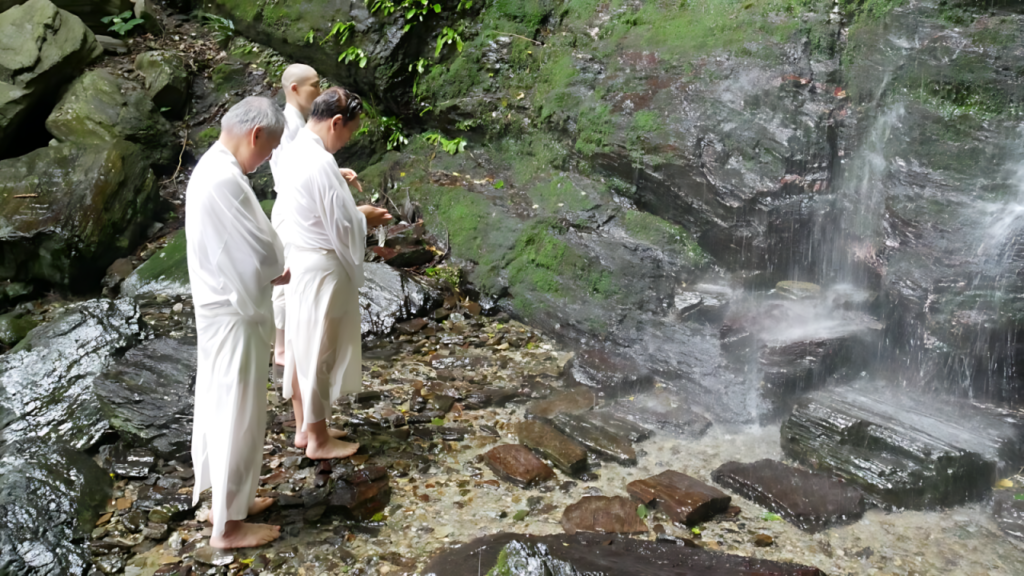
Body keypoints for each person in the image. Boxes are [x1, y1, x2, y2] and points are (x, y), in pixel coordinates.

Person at [186, 96, 288, 549]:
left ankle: (235, 501)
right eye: (269, 150)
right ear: (255, 136)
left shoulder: (214, 168)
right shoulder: (222, 179)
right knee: (234, 412)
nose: (266, 160)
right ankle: (226, 527)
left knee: (238, 410)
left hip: (224, 311)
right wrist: (277, 270)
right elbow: (256, 252)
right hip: (231, 314)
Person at [275, 86, 392, 460]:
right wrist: (365, 216)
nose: (347, 140)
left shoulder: (295, 150)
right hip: (322, 266)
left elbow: (311, 201)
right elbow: (341, 226)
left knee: (299, 344)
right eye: (350, 132)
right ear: (336, 122)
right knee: (319, 351)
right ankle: (319, 440)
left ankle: (304, 428)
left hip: (300, 261)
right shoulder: (319, 161)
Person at [270, 64, 362, 367]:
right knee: (287, 275)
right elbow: (292, 175)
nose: (318, 89)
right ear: (294, 88)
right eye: (314, 84)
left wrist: (333, 172)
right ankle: (282, 346)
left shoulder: (303, 125)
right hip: (291, 206)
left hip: (299, 201)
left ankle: (291, 348)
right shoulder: (286, 125)